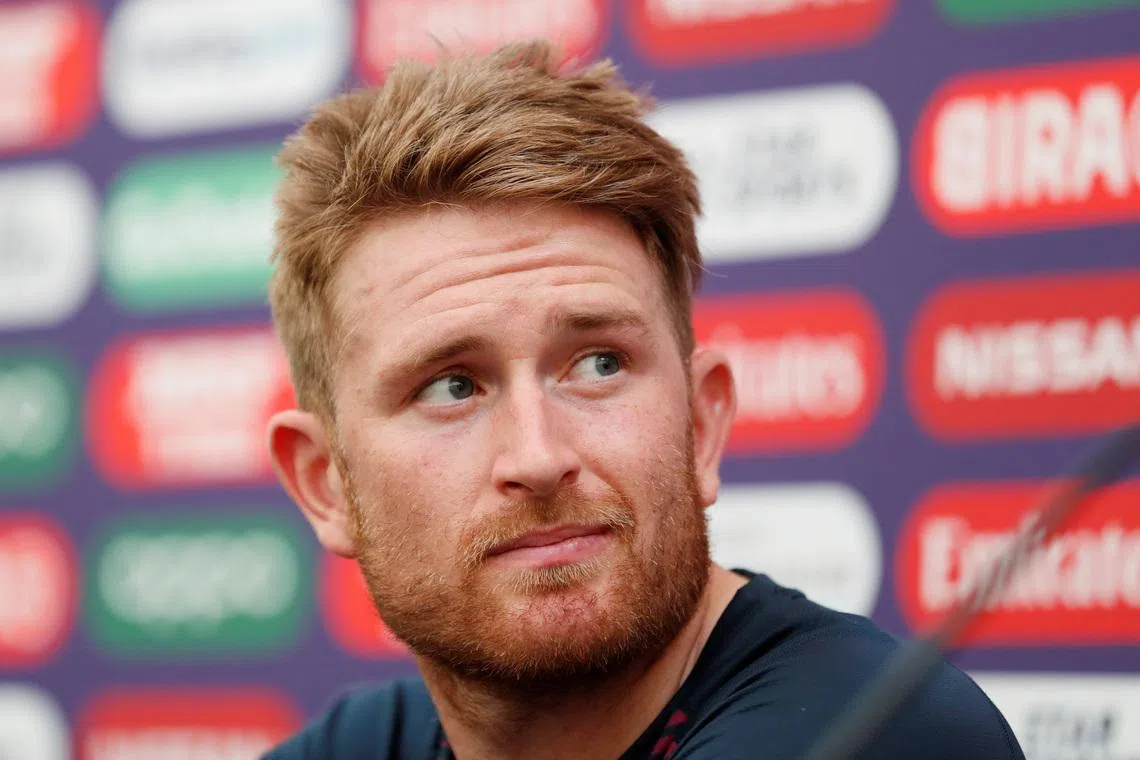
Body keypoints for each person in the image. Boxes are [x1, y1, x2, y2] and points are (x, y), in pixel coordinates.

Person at [261, 41, 1024, 760]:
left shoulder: (872, 729)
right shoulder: (366, 739)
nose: (539, 456)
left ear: (700, 425)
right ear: (326, 483)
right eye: (452, 386)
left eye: (598, 365)